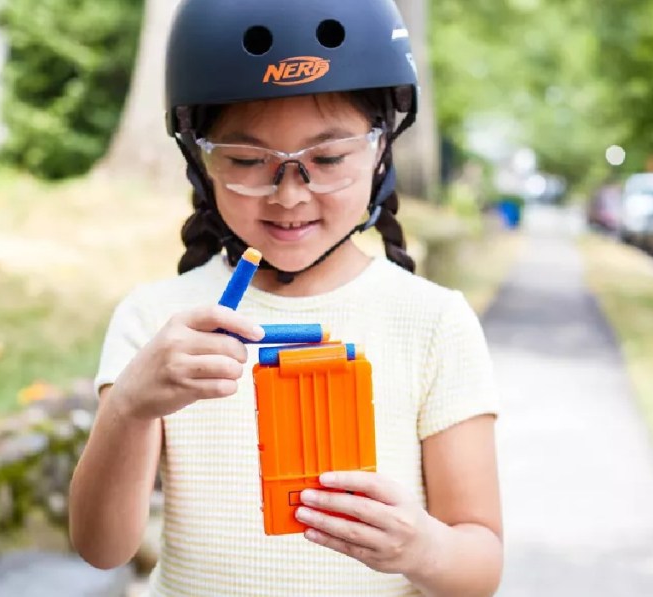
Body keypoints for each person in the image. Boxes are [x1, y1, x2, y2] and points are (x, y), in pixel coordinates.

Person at [68, 0, 503, 595]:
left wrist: (422, 548)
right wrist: (129, 409)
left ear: (382, 149)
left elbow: (480, 568)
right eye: (248, 161)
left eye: (327, 159)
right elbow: (101, 547)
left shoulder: (433, 322)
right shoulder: (155, 323)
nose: (290, 195)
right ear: (200, 157)